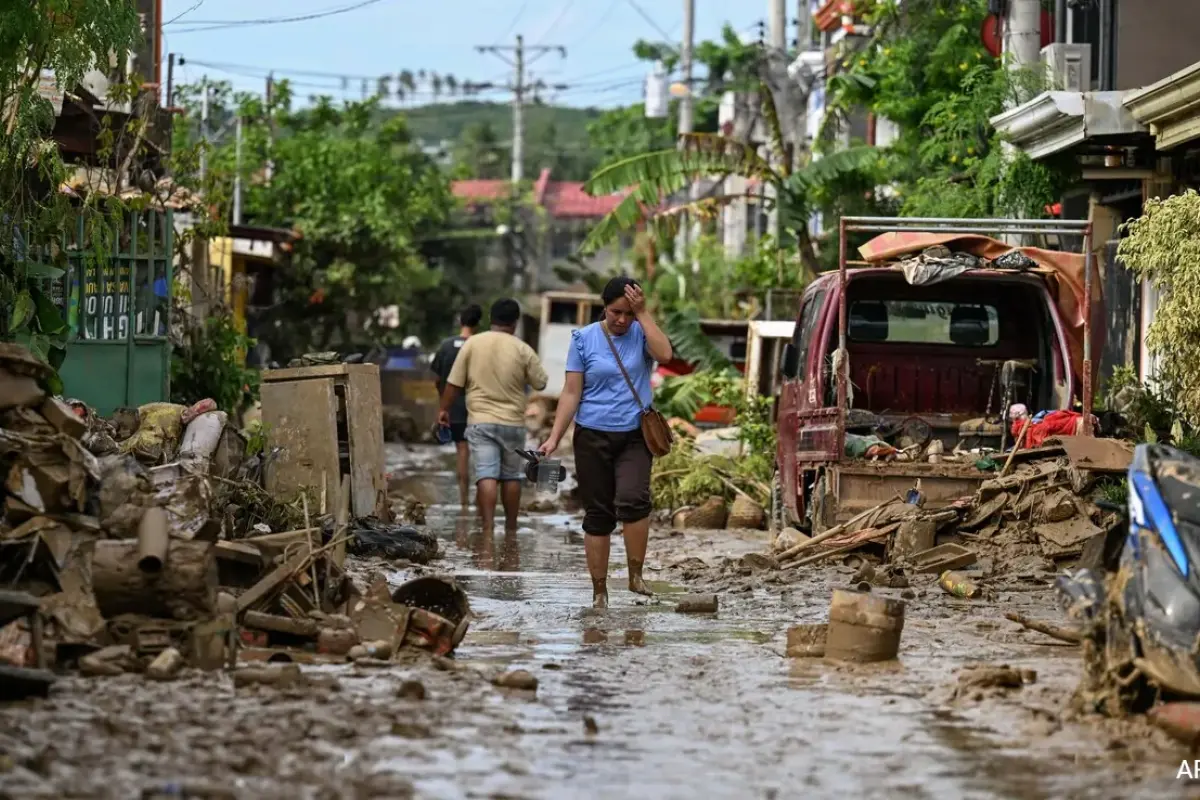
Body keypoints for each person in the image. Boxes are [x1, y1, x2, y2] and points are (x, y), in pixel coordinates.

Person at [537, 277, 673, 608]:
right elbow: (571, 392)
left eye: (628, 313)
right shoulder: (583, 339)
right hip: (591, 435)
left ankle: (635, 575)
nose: (622, 320)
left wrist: (644, 313)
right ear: (604, 308)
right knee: (598, 514)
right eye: (616, 312)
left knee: (633, 499)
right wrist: (554, 438)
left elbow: (666, 355)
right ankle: (599, 591)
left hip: (634, 435)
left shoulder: (641, 332)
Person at [438, 298, 548, 534]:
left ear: (491, 319)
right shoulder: (523, 348)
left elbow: (453, 383)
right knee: (512, 476)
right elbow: (541, 382)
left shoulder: (473, 344)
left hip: (481, 422)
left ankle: (487, 527)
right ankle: (510, 527)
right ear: (515, 323)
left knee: (486, 473)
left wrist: (444, 410)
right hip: (513, 423)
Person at [430, 304, 483, 509]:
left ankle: (463, 501)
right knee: (482, 452)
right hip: (479, 407)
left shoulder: (446, 345)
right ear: (478, 324)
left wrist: (444, 402)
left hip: (455, 407)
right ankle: (481, 500)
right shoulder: (480, 345)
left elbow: (436, 378)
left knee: (462, 450)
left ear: (460, 321)